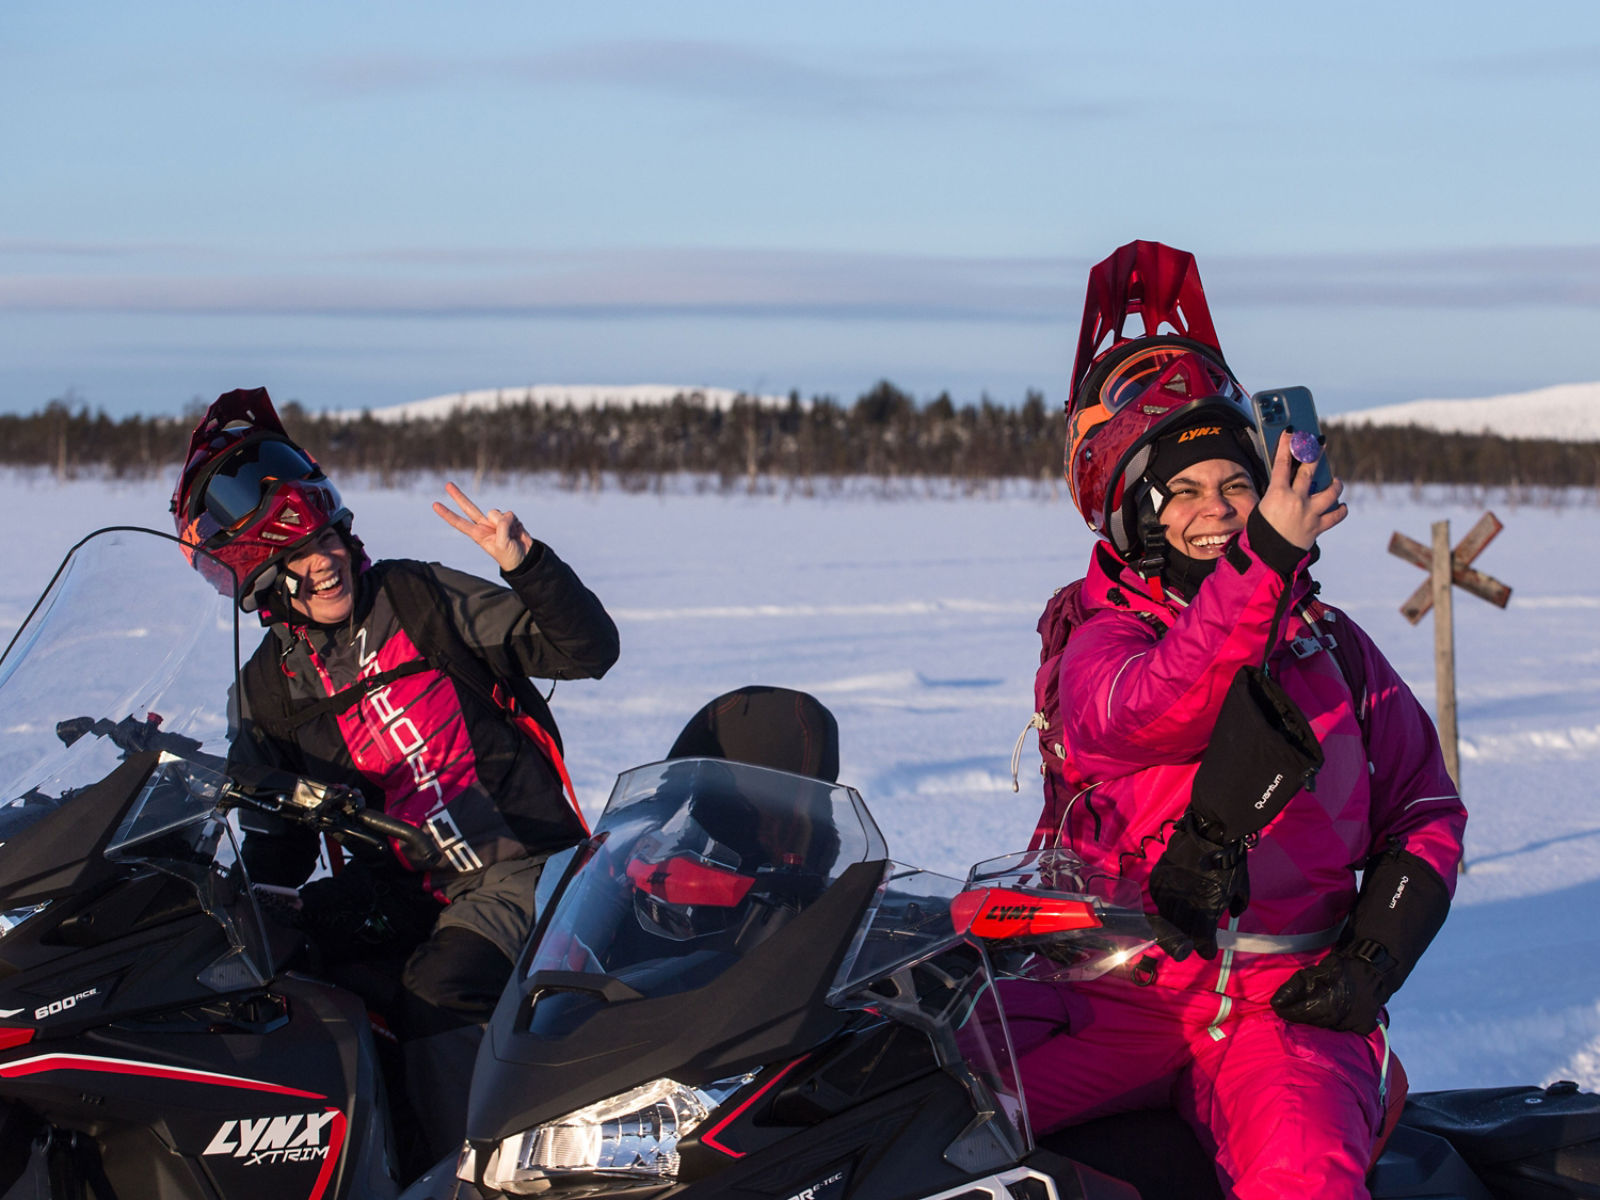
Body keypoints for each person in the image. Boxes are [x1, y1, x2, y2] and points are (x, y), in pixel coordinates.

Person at [1015, 242, 1466, 1199]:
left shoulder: (1331, 648)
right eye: (1182, 492)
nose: (1216, 512)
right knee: (908, 1107)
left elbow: (1424, 807)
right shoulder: (1098, 641)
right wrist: (1264, 560)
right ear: (1135, 510)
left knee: (1301, 1180)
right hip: (1114, 990)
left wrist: (1371, 960)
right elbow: (1156, 709)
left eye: (1235, 484)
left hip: (1282, 1010)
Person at [171, 386, 619, 1165]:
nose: (327, 563)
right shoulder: (268, 690)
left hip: (527, 866)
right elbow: (276, 844)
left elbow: (585, 652)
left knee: (441, 993)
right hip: (406, 891)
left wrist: (527, 565)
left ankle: (470, 1177)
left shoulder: (418, 597)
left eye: (330, 542)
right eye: (301, 560)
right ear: (271, 587)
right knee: (273, 970)